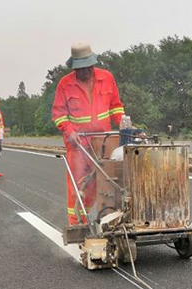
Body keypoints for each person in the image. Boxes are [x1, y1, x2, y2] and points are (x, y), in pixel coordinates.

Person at [52, 42, 125, 225]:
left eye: (86, 68)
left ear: (92, 64)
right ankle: (77, 222)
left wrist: (123, 122)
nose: (83, 72)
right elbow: (59, 114)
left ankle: (111, 219)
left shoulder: (107, 78)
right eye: (79, 69)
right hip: (78, 145)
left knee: (107, 182)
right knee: (79, 185)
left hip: (104, 142)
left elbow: (116, 106)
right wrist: (69, 131)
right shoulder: (65, 84)